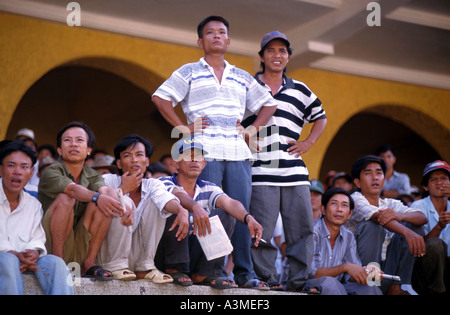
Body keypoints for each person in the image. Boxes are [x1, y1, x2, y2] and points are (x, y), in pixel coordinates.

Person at [152, 16, 277, 289]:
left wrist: (251, 128)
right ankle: (205, 269)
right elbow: (160, 97)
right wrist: (183, 127)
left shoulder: (242, 76)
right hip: (202, 151)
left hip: (237, 152)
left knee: (239, 212)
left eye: (222, 32)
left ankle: (245, 274)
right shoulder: (189, 71)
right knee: (205, 207)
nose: (216, 36)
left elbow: (268, 104)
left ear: (229, 40)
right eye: (210, 33)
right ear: (201, 41)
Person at [241, 31, 327, 292]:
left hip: (294, 170)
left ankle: (299, 282)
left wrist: (308, 142)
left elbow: (320, 116)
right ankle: (266, 281)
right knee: (262, 231)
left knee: (301, 230)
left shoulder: (300, 89)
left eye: (282, 51)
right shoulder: (247, 86)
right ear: (262, 57)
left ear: (288, 57)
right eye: (271, 51)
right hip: (261, 169)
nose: (277, 55)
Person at [156, 136, 264, 289]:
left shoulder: (208, 187)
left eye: (198, 157)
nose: (194, 160)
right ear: (176, 164)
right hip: (166, 256)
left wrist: (248, 218)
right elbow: (177, 195)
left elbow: (230, 203)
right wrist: (195, 207)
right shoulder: (162, 182)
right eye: (187, 156)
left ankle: (204, 273)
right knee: (175, 207)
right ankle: (175, 269)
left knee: (226, 214)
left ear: (204, 163)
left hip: (194, 254)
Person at [38, 121, 129, 280]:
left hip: (78, 244)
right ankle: (57, 263)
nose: (73, 144)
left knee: (104, 202)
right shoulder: (52, 171)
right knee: (66, 198)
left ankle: (88, 263)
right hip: (51, 243)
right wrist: (98, 197)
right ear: (59, 149)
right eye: (67, 140)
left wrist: (121, 204)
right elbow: (73, 190)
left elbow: (106, 191)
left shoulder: (92, 174)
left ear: (88, 150)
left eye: (79, 140)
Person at [96, 134, 189, 282]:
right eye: (127, 155)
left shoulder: (153, 184)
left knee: (156, 202)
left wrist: (181, 210)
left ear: (146, 162)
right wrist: (123, 189)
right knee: (123, 200)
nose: (134, 160)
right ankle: (115, 266)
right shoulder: (107, 180)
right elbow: (102, 199)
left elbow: (165, 199)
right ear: (119, 164)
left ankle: (144, 268)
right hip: (107, 259)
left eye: (139, 155)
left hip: (134, 258)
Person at [346, 155, 427, 295]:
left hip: (387, 269)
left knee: (415, 226)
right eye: (368, 173)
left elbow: (422, 217)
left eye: (379, 173)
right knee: (372, 226)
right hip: (360, 270)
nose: (375, 177)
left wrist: (400, 216)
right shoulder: (354, 200)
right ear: (357, 182)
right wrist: (406, 232)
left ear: (384, 181)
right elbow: (378, 218)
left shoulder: (389, 203)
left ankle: (400, 285)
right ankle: (370, 285)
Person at [0, 141, 73, 295]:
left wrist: (33, 252)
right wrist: (14, 254)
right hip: (5, 260)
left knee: (57, 263)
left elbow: (37, 237)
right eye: (11, 165)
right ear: (0, 169)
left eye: (24, 167)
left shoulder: (33, 204)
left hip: (25, 260)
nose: (17, 172)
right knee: (8, 260)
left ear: (31, 173)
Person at [305, 187, 382, 295]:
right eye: (334, 204)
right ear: (323, 210)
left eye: (344, 205)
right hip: (306, 284)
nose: (339, 209)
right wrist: (345, 267)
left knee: (370, 287)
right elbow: (311, 273)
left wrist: (365, 273)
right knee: (330, 282)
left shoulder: (348, 236)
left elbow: (349, 276)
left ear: (350, 214)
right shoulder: (312, 232)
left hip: (337, 287)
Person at [411, 160, 450, 295]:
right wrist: (439, 226)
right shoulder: (418, 206)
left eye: (444, 178)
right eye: (434, 179)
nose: (440, 183)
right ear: (426, 187)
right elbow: (418, 248)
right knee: (434, 244)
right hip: (423, 271)